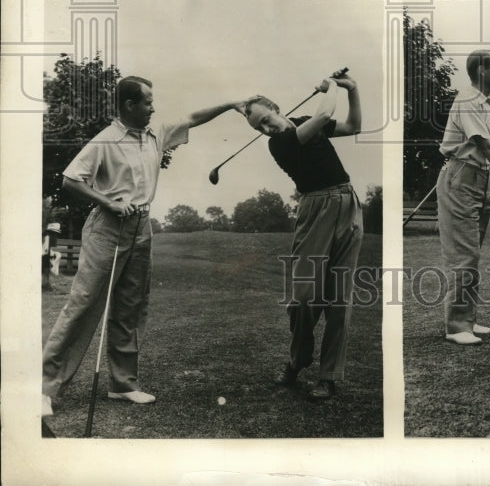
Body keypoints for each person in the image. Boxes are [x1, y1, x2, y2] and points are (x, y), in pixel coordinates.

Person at [42, 76, 250, 417]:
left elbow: (193, 117)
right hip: (108, 228)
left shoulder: (156, 134)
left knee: (131, 307)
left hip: (141, 226)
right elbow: (71, 180)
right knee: (83, 305)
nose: (153, 107)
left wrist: (230, 105)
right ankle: (46, 388)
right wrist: (108, 202)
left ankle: (123, 385)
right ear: (130, 105)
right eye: (148, 102)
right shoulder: (106, 139)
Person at [244, 74, 362, 399]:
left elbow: (354, 126)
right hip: (315, 208)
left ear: (276, 108)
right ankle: (297, 360)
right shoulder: (280, 143)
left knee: (340, 299)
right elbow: (324, 113)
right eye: (258, 127)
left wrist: (353, 89)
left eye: (265, 120)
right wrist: (332, 86)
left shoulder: (302, 123)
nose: (265, 129)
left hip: (347, 202)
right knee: (304, 297)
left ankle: (328, 376)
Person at [436, 50, 490, 345]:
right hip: (461, 177)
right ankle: (456, 327)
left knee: (472, 253)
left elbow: (480, 140)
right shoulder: (468, 100)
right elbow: (485, 146)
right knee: (464, 255)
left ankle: (467, 320)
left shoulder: (484, 103)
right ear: (481, 70)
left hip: (477, 178)